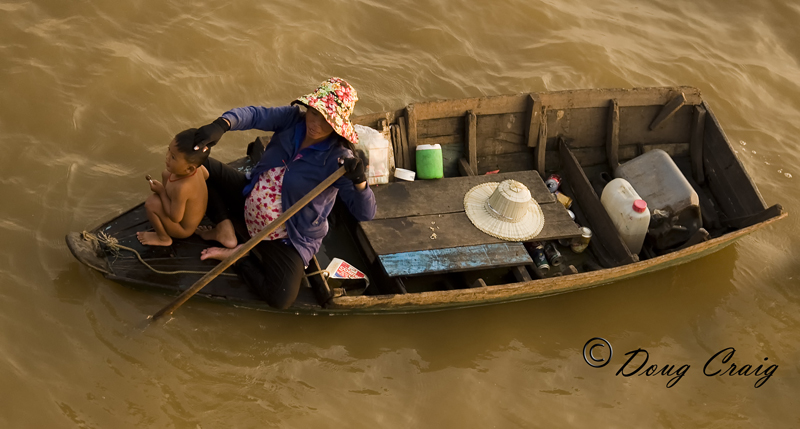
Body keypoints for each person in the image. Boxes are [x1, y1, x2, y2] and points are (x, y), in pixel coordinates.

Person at [193, 77, 376, 309]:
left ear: (337, 126)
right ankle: (224, 227)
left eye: (326, 121)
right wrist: (222, 124)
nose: (315, 124)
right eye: (314, 113)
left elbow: (366, 213)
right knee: (198, 162)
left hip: (285, 235)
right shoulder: (292, 120)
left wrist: (359, 181)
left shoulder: (338, 160)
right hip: (250, 199)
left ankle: (240, 257)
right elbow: (255, 114)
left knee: (281, 297)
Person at [137, 129, 210, 246]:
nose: (167, 157)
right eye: (169, 151)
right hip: (192, 216)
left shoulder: (182, 188)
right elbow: (206, 175)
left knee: (152, 203)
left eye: (173, 157)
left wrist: (161, 192)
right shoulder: (198, 168)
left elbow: (175, 218)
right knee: (166, 173)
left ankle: (163, 238)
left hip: (183, 229)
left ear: (189, 169)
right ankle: (172, 202)